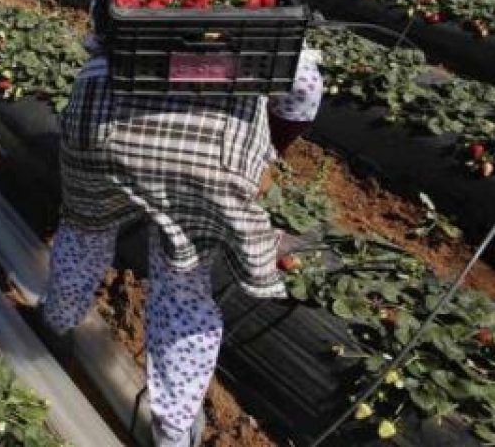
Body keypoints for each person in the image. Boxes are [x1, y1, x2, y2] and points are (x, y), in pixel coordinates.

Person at [40, 30, 323, 446]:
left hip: (99, 124)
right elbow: (305, 86)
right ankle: (172, 431)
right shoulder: (262, 14)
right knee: (181, 284)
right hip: (208, 155)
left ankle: (56, 327)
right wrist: (269, 147)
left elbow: (99, 37)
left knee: (86, 232)